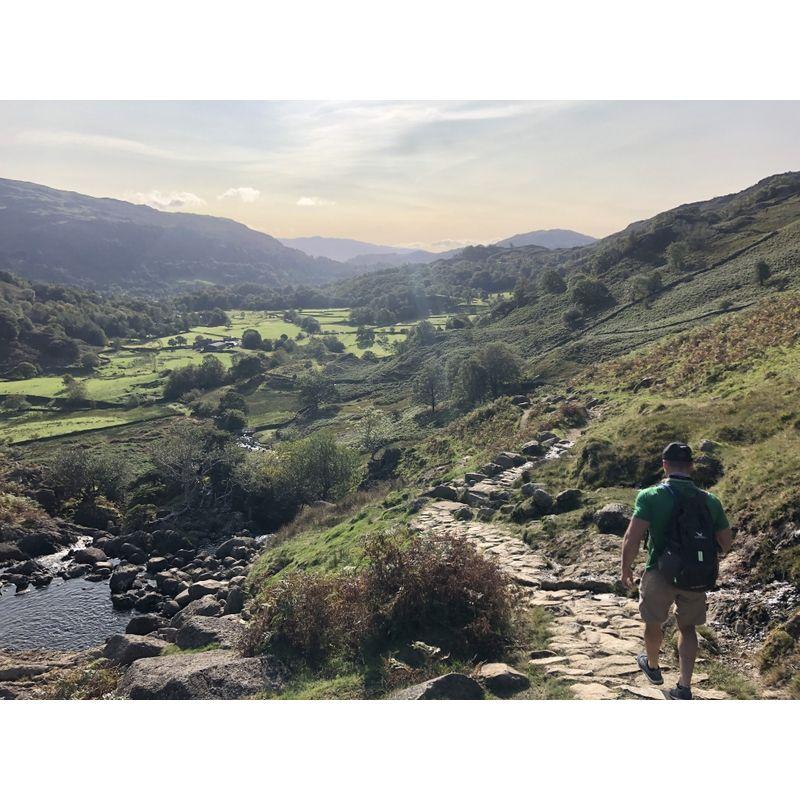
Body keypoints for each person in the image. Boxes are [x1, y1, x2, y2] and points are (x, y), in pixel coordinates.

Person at [620, 442, 732, 699]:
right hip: (696, 575)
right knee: (688, 628)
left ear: (664, 465)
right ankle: (684, 687)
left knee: (653, 621)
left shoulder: (650, 496)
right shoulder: (710, 501)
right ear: (692, 466)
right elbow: (726, 544)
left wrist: (625, 568)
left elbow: (632, 537)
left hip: (660, 571)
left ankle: (653, 666)